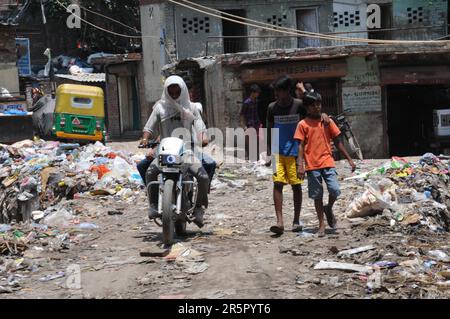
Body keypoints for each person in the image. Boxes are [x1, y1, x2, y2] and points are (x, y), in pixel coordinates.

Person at [138, 75, 210, 228]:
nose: (175, 95)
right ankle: (153, 204)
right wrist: (145, 139)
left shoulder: (191, 108)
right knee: (150, 172)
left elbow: (200, 127)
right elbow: (149, 127)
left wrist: (203, 138)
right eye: (172, 92)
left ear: (183, 91)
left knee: (203, 177)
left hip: (186, 151)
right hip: (165, 151)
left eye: (177, 92)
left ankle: (198, 209)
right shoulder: (160, 107)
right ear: (167, 91)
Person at [294, 91, 356, 238]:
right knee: (317, 195)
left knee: (335, 190)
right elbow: (300, 146)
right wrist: (300, 165)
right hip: (312, 165)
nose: (317, 107)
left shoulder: (327, 122)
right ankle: (321, 224)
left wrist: (349, 159)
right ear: (307, 108)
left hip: (327, 161)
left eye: (319, 104)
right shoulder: (302, 124)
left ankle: (328, 208)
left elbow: (338, 141)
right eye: (313, 105)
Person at [266, 76, 305, 235]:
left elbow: (311, 113)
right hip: (277, 152)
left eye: (279, 90)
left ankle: (296, 220)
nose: (276, 93)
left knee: (296, 185)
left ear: (287, 90)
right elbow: (269, 129)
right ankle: (280, 222)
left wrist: (304, 91)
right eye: (275, 90)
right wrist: (269, 152)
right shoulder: (272, 107)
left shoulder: (298, 105)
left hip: (295, 152)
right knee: (278, 184)